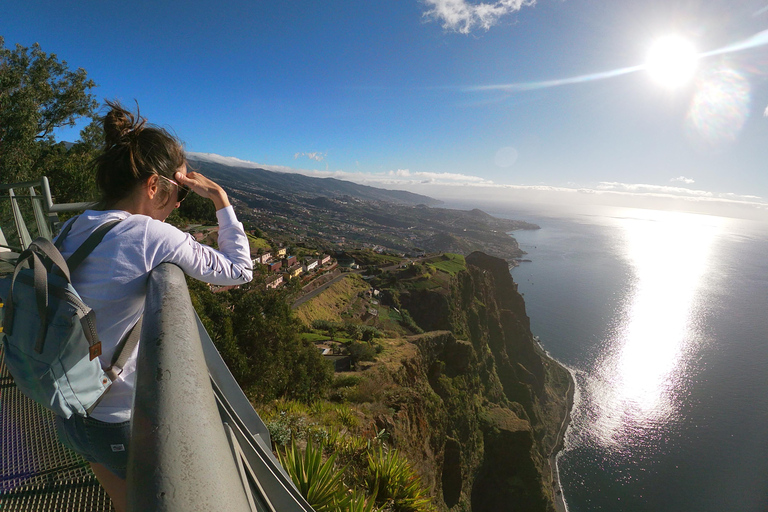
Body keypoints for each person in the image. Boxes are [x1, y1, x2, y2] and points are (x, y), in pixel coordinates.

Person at [53, 100, 253, 511]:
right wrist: (219, 198)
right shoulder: (149, 234)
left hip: (64, 405)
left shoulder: (74, 225)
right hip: (111, 416)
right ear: (152, 186)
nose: (179, 204)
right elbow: (239, 271)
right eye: (179, 192)